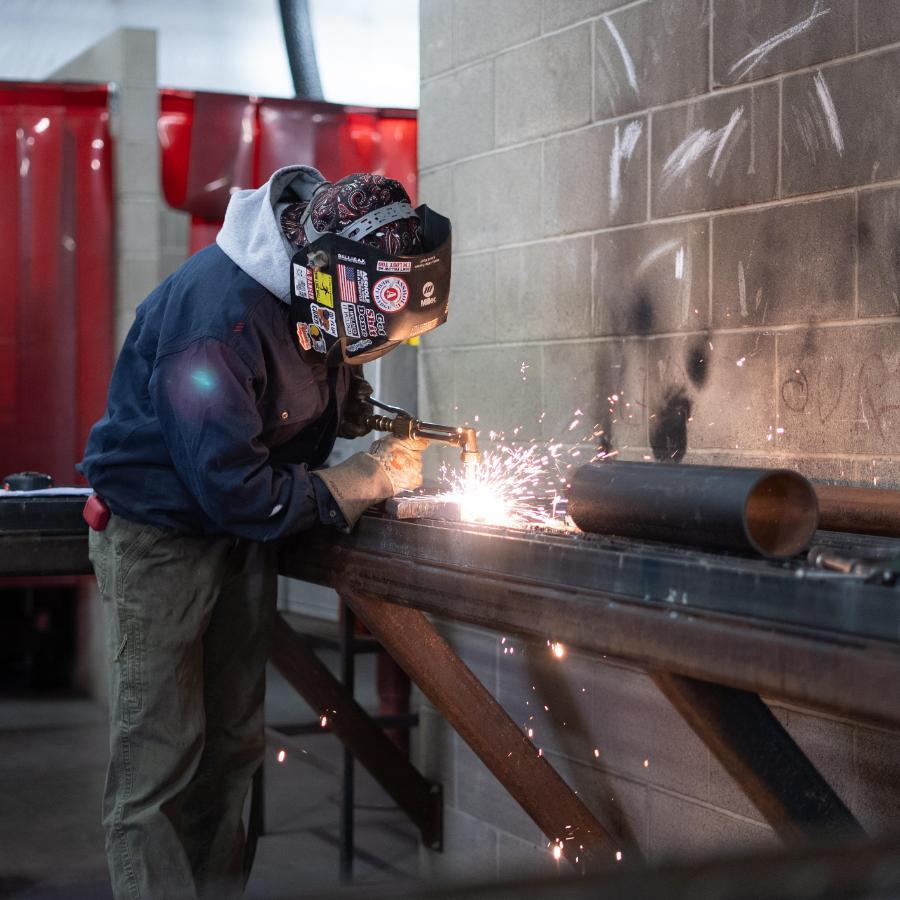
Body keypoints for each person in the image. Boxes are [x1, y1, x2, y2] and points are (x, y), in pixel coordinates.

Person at [79, 166, 445, 898]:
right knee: (160, 763)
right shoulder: (217, 323)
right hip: (163, 537)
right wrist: (359, 481)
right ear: (319, 272)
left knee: (233, 751)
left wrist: (356, 405)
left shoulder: (323, 275)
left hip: (235, 537)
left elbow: (319, 356)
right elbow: (233, 489)